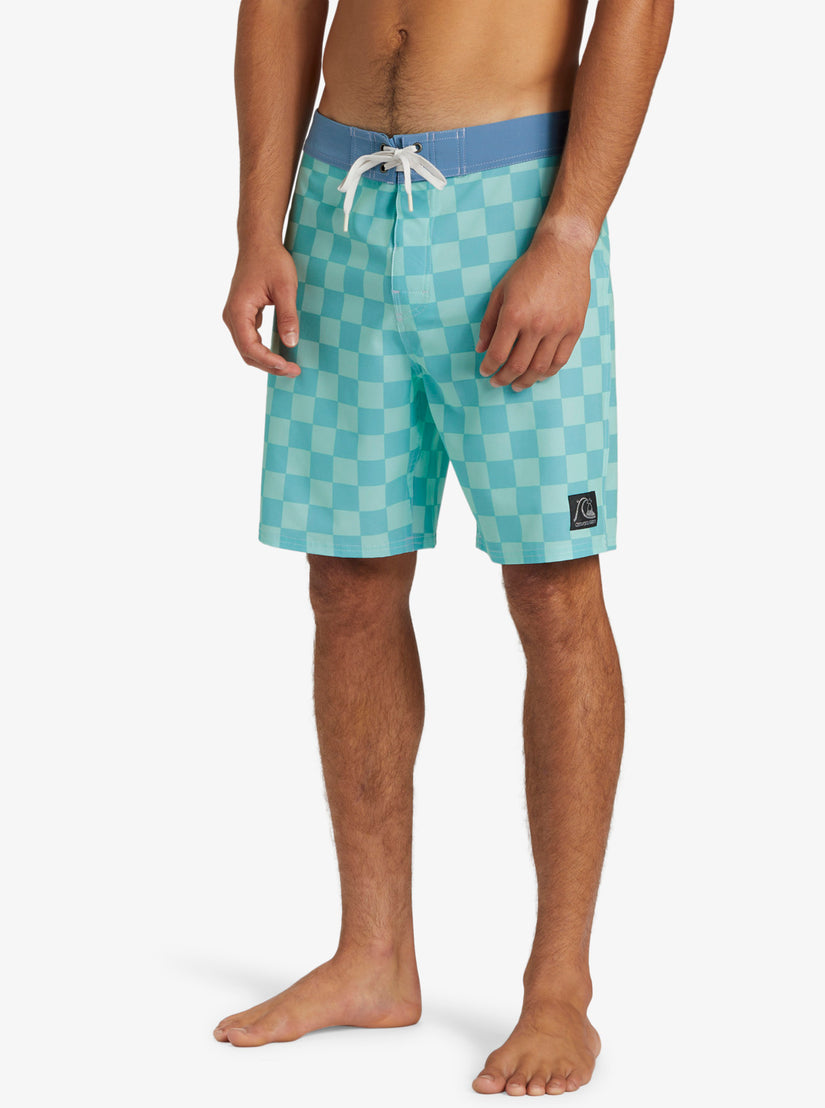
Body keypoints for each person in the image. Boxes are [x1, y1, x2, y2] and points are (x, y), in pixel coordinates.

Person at [216, 0, 673, 1095]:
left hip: (511, 203)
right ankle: (373, 957)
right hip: (338, 201)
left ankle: (559, 989)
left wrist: (570, 233)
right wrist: (258, 226)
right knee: (348, 579)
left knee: (553, 588)